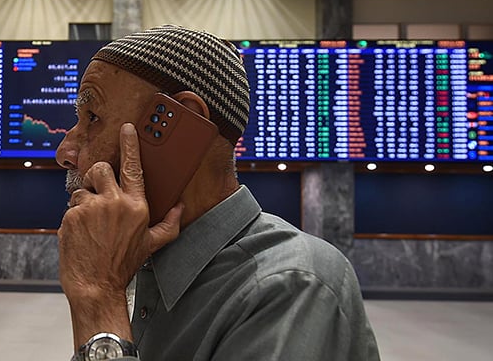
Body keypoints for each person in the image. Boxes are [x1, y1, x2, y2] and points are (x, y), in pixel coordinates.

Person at [55, 25, 380, 361]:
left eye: (92, 117)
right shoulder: (136, 264)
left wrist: (99, 300)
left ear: (178, 127)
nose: (64, 151)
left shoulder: (293, 284)